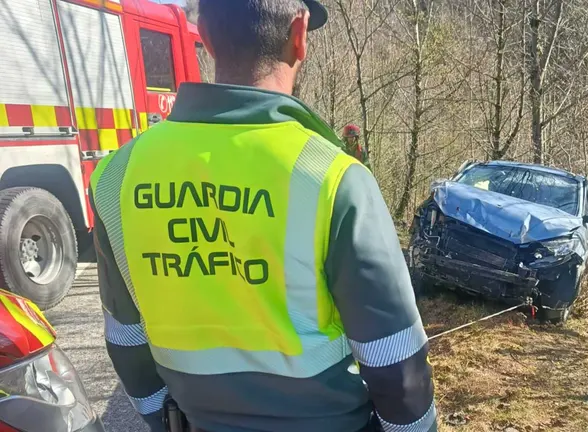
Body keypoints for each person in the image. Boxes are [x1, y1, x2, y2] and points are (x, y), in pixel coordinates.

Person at [88, 1, 437, 432]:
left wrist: (166, 421)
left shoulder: (115, 178)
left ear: (207, 38)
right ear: (300, 34)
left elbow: (126, 342)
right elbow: (394, 362)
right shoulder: (332, 177)